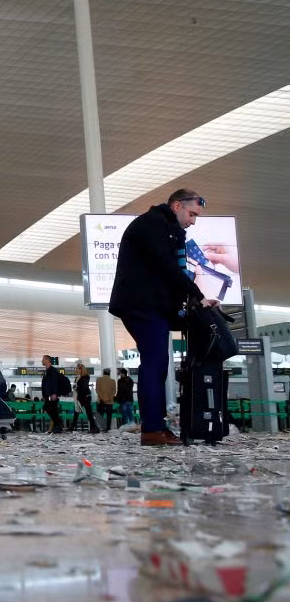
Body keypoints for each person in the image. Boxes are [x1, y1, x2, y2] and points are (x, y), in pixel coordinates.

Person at [109, 189, 218, 446]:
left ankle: (156, 426)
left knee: (156, 365)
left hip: (149, 305)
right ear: (177, 205)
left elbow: (171, 271)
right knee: (154, 364)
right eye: (191, 214)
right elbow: (166, 266)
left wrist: (193, 301)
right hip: (142, 305)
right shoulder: (152, 224)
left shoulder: (168, 229)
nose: (193, 220)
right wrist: (197, 295)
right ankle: (152, 429)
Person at [40, 355, 64, 433]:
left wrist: (54, 393)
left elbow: (55, 382)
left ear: (47, 360)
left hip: (52, 395)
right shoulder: (46, 371)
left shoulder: (53, 370)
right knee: (51, 409)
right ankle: (57, 425)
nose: (42, 361)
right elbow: (44, 384)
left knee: (52, 409)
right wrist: (44, 395)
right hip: (48, 395)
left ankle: (58, 425)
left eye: (43, 359)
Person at [72, 362, 98, 433]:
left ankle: (94, 428)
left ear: (81, 370)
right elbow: (76, 386)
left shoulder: (86, 377)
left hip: (85, 397)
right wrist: (75, 387)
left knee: (88, 413)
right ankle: (72, 427)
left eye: (77, 369)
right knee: (77, 412)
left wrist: (76, 388)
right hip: (80, 397)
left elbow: (82, 386)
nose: (76, 370)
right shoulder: (77, 377)